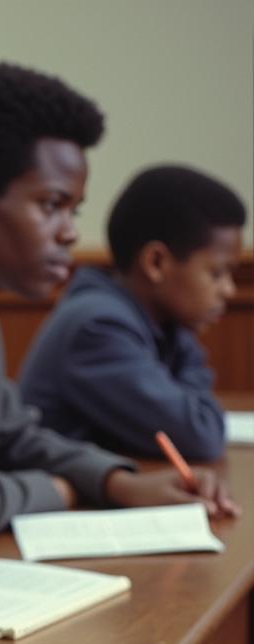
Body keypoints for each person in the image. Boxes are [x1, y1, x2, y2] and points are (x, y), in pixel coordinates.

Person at [0, 62, 237, 538]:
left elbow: (19, 435)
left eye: (73, 210)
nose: (71, 232)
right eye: (51, 205)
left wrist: (118, 482)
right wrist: (65, 490)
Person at [20, 165, 246, 460]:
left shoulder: (155, 323)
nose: (228, 290)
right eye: (216, 273)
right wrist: (185, 342)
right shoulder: (97, 328)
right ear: (156, 263)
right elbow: (199, 435)